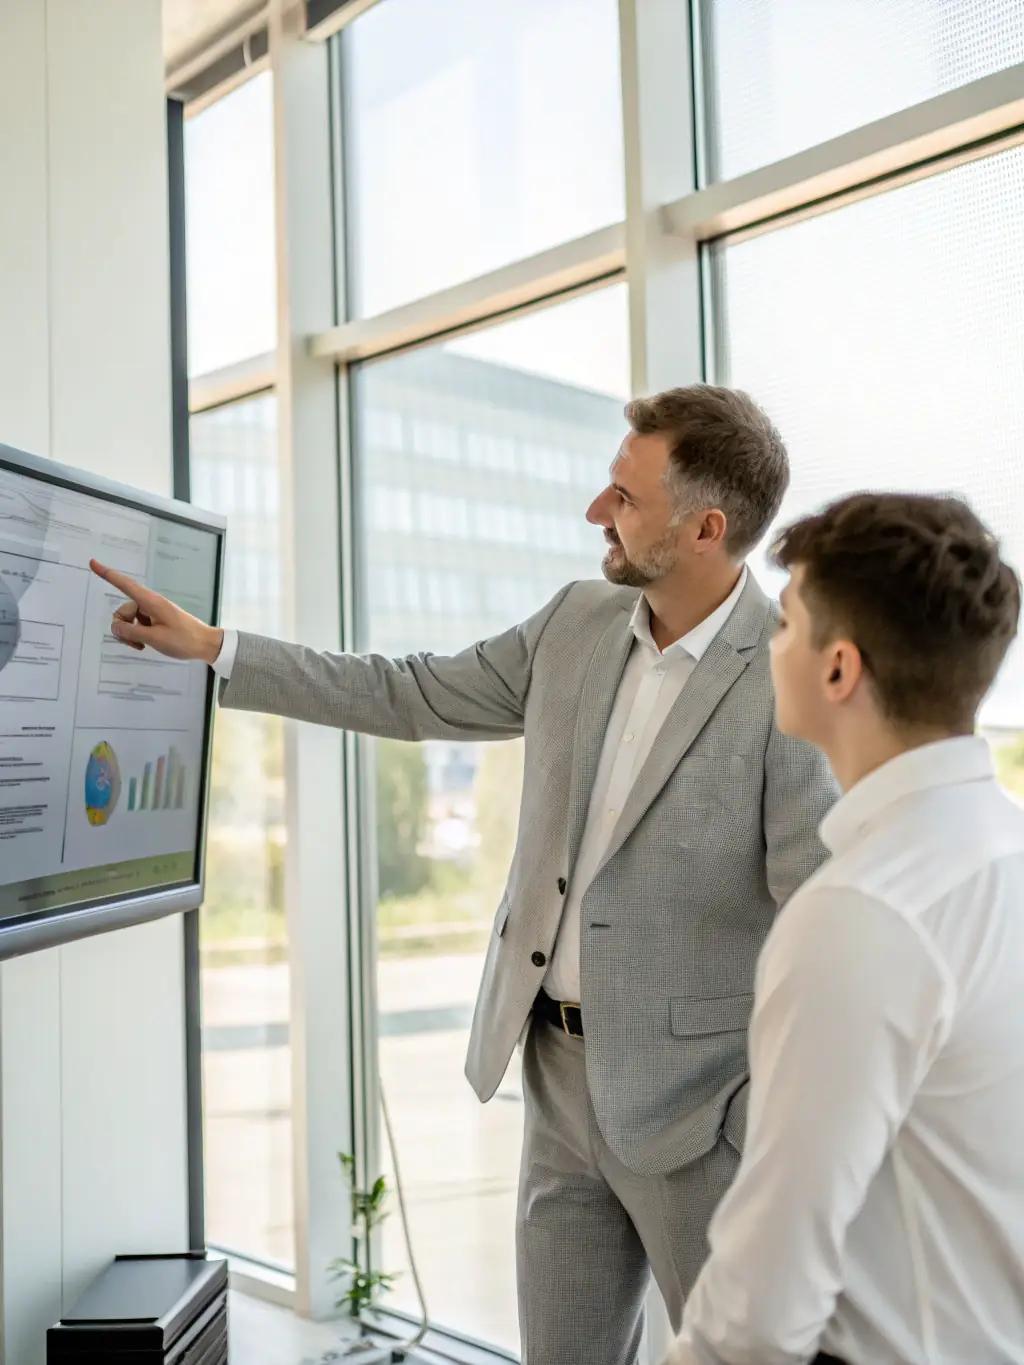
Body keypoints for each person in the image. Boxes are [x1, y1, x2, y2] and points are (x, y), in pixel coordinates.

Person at [92, 384, 836, 1365]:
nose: (594, 512)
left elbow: (818, 922)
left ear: (706, 528)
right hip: (557, 1087)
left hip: (702, 1114)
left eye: (624, 497)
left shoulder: (783, 670)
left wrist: (756, 1114)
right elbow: (406, 691)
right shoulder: (576, 620)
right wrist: (218, 650)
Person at [664, 491, 1024, 1365]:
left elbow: (760, 1305)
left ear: (838, 670)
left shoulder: (860, 912)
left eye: (785, 626)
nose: (770, 649)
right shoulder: (1005, 846)